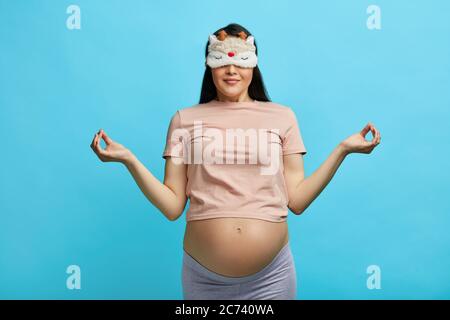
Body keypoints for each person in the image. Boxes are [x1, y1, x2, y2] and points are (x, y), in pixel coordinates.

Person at [90, 23, 381, 300]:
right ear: (209, 64)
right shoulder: (184, 120)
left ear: (254, 63)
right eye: (221, 60)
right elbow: (172, 206)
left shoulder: (282, 117)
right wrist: (128, 160)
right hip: (204, 279)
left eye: (241, 60)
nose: (232, 69)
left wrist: (343, 150)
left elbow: (297, 200)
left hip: (272, 277)